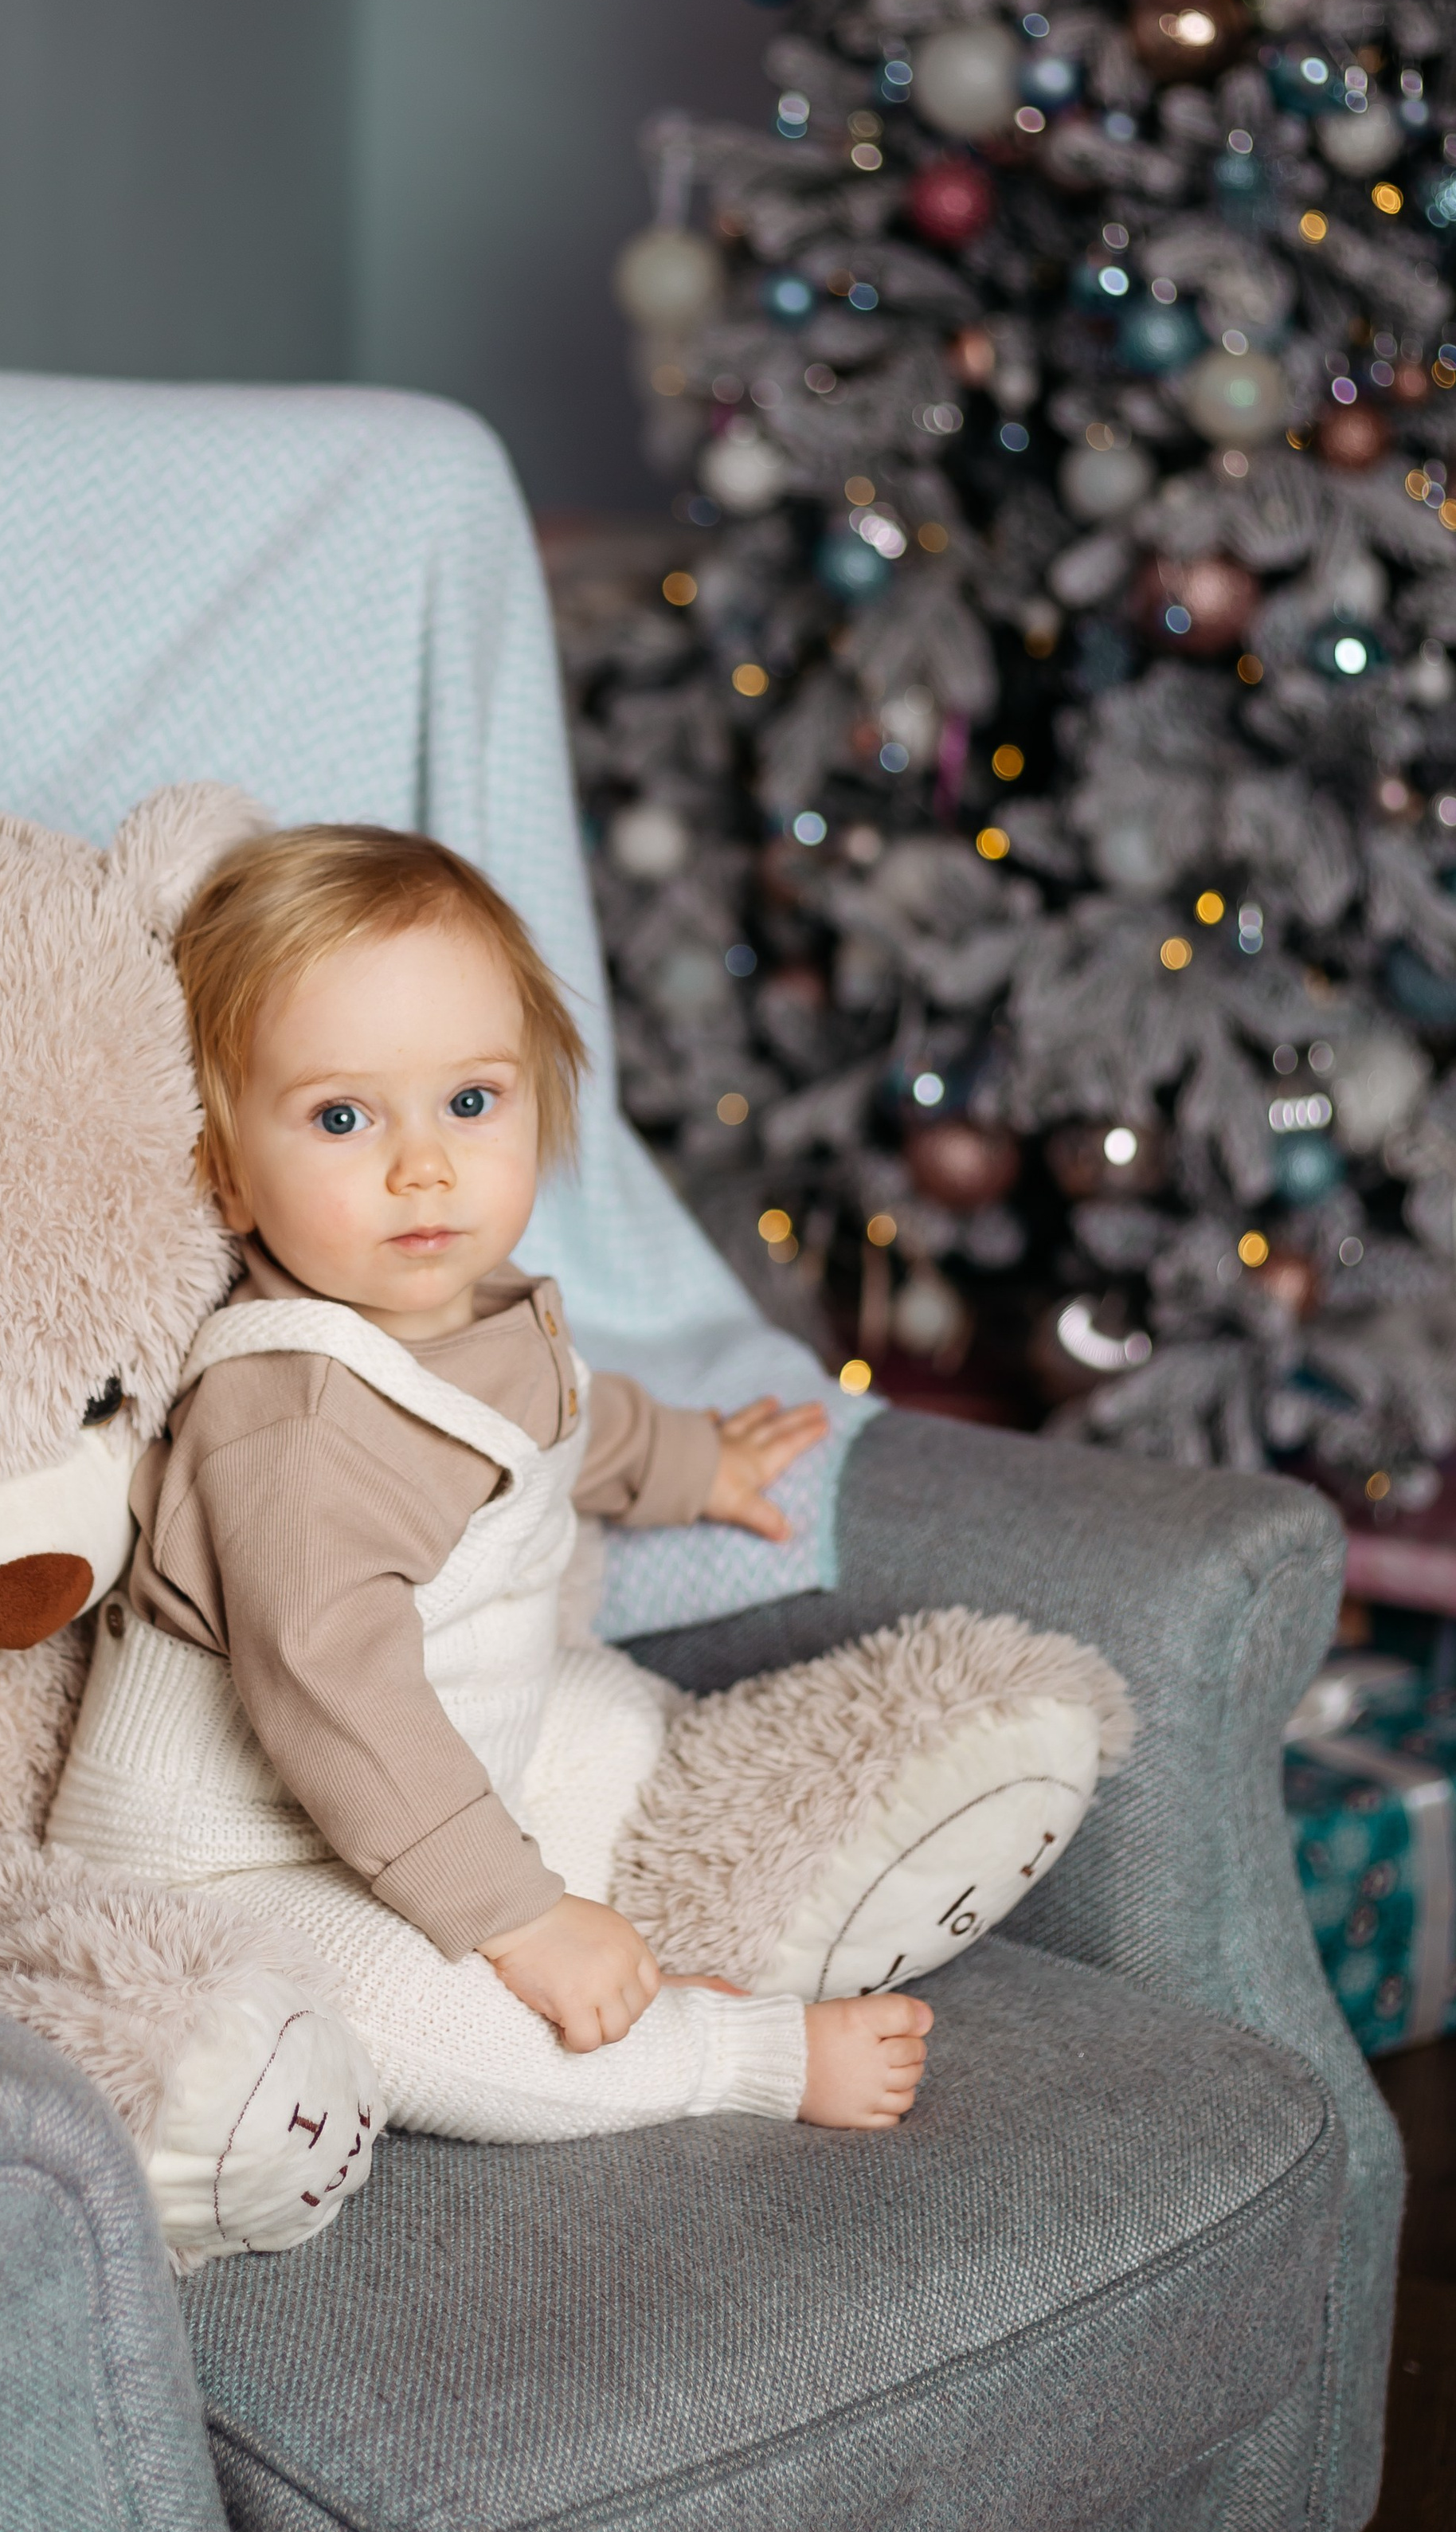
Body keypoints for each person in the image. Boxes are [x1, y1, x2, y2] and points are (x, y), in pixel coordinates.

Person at [60, 823, 930, 2142]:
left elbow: (564, 1423)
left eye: (472, 1102)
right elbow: (333, 1696)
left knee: (623, 1722)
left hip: (437, 1767)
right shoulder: (289, 1418)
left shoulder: (484, 1313)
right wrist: (519, 1921)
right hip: (236, 1859)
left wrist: (697, 1461)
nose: (425, 1165)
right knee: (433, 2024)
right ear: (225, 1171)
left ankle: (750, 1887)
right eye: (342, 1118)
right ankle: (735, 2055)